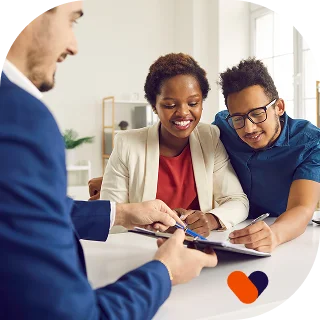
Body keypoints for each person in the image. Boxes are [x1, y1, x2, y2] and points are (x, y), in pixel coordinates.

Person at [0, 2, 218, 319]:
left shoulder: (212, 138)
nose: (73, 46)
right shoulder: (22, 118)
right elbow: (73, 315)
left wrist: (123, 213)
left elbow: (20, 213)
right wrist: (164, 273)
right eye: (71, 22)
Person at [98, 52, 249, 237]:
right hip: (145, 253)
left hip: (198, 250)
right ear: (154, 105)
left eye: (193, 103)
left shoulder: (209, 137)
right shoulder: (127, 144)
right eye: (170, 105)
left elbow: (238, 201)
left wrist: (209, 219)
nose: (183, 113)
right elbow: (108, 219)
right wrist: (154, 225)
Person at [212, 57, 320, 253]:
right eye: (238, 119)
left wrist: (274, 234)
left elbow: (302, 208)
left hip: (281, 229)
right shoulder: (222, 125)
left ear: (278, 107)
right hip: (228, 226)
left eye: (257, 113)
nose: (249, 127)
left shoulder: (310, 142)